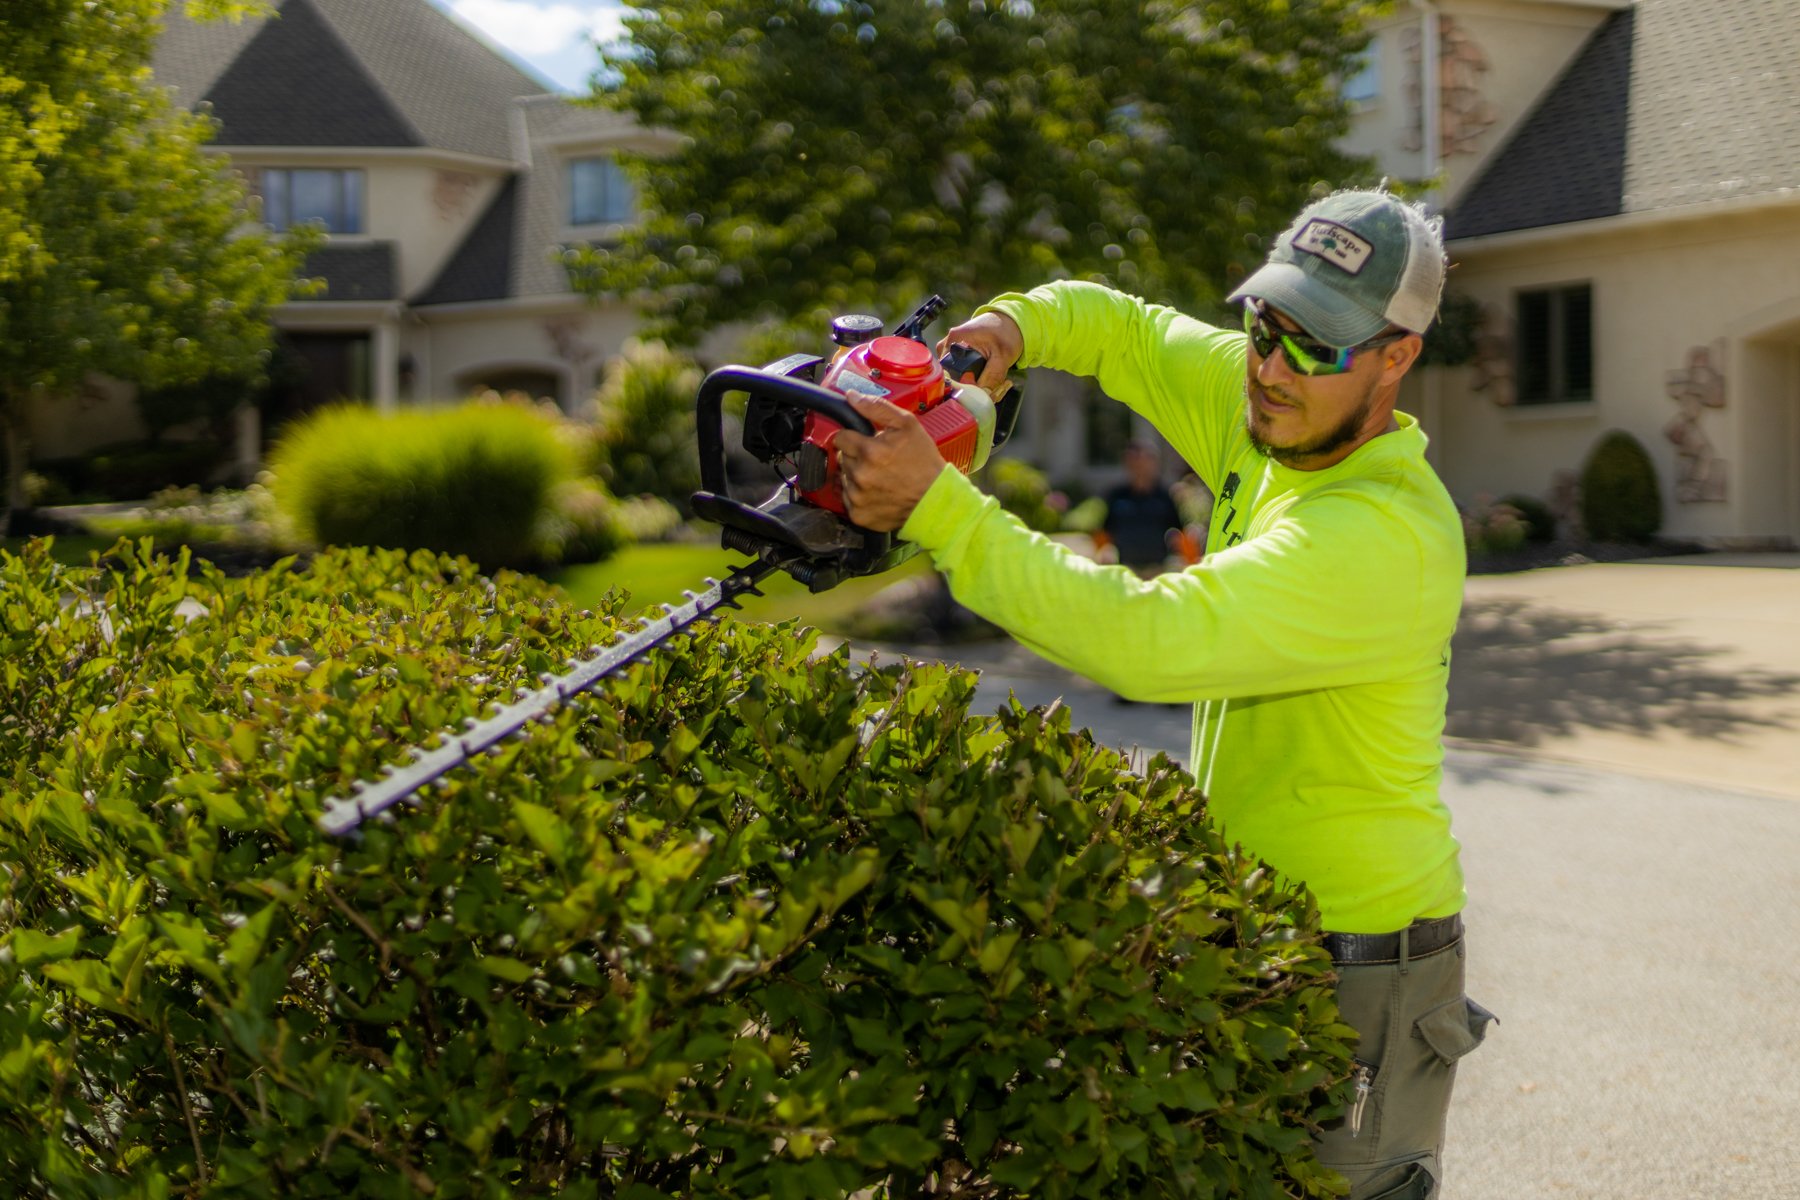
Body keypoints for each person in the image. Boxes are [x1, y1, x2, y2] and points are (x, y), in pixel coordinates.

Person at [832, 188, 1491, 1200]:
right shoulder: (1269, 409)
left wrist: (941, 511)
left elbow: (1148, 639)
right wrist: (1014, 325)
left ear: (1396, 357)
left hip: (1364, 965)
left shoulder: (1385, 535)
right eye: (1265, 326)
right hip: (1253, 920)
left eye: (1314, 346)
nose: (1270, 368)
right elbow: (1127, 330)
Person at [1100, 440, 1183, 574]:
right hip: (1126, 570)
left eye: (1144, 461)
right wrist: (1105, 551)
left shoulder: (1164, 496)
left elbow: (1178, 532)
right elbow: (1105, 533)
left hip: (1157, 571)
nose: (1139, 466)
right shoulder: (1117, 496)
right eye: (1134, 461)